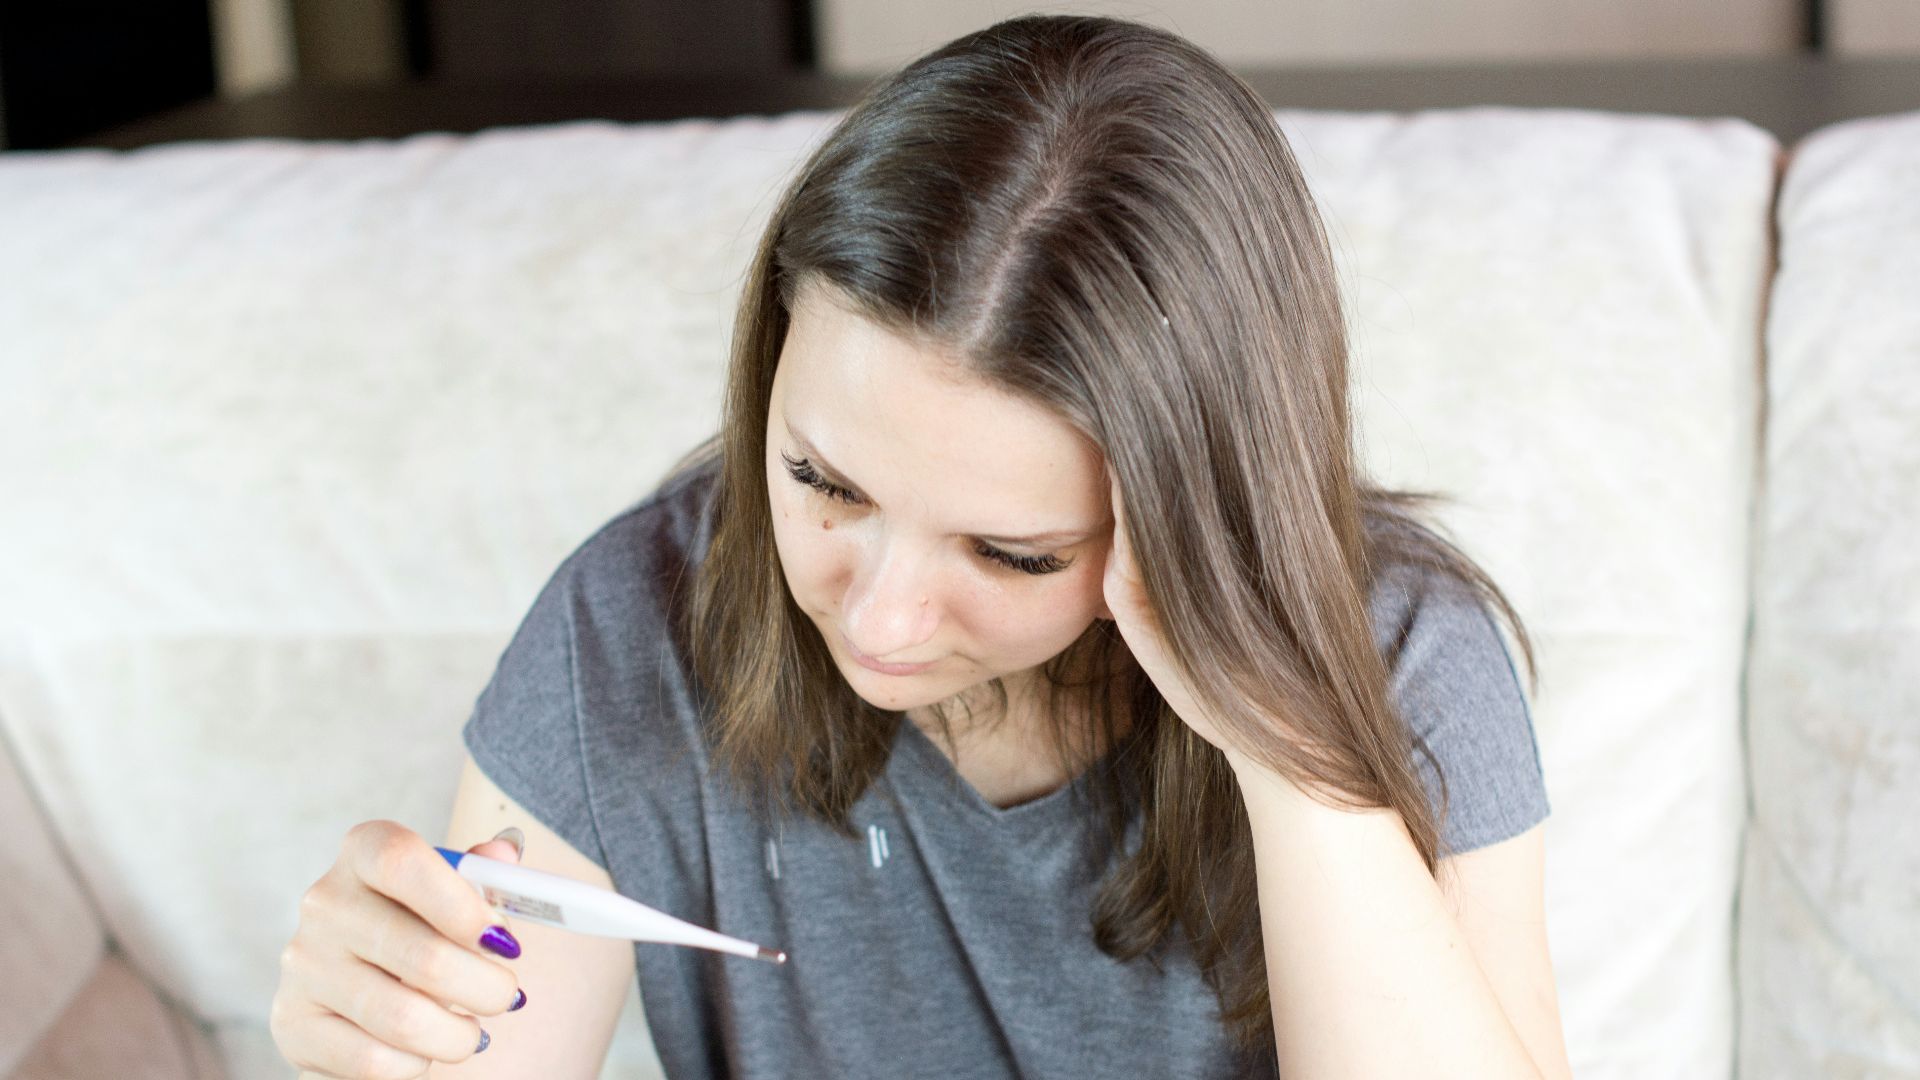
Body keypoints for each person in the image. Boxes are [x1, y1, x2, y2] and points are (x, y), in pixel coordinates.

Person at [270, 13, 1570, 1079]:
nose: (880, 623)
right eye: (822, 481)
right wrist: (378, 1025)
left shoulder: (1405, 656)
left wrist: (1287, 751)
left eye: (1009, 555)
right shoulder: (630, 631)